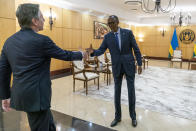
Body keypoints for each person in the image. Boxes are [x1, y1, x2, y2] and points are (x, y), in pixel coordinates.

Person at [0, 3, 87, 131]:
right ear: (34, 21)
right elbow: (64, 54)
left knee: (47, 122)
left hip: (21, 94)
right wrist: (81, 54)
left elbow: (3, 72)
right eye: (41, 17)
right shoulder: (42, 41)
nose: (44, 19)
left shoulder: (8, 42)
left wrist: (5, 96)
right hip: (37, 97)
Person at [86, 15, 142, 127]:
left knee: (131, 91)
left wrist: (139, 64)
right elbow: (101, 50)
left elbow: (136, 49)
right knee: (117, 92)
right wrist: (92, 52)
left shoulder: (128, 33)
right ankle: (117, 117)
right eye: (109, 23)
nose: (110, 25)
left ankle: (133, 117)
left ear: (117, 22)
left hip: (129, 65)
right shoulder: (107, 37)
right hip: (117, 66)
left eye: (112, 23)